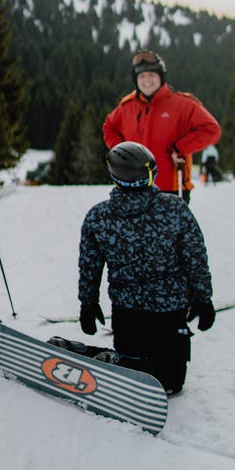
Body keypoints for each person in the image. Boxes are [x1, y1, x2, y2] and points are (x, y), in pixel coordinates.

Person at [69, 141, 216, 396]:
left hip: (132, 315)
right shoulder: (174, 209)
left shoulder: (99, 216)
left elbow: (89, 266)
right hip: (165, 314)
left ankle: (109, 359)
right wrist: (203, 298)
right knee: (168, 382)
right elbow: (195, 257)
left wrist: (88, 303)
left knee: (149, 377)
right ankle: (113, 360)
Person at [102, 49, 221, 204]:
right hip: (132, 186)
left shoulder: (182, 104)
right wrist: (123, 153)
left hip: (171, 188)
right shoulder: (127, 107)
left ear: (161, 77)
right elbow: (109, 127)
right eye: (142, 76)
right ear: (136, 79)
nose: (147, 80)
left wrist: (180, 148)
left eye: (152, 75)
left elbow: (211, 129)